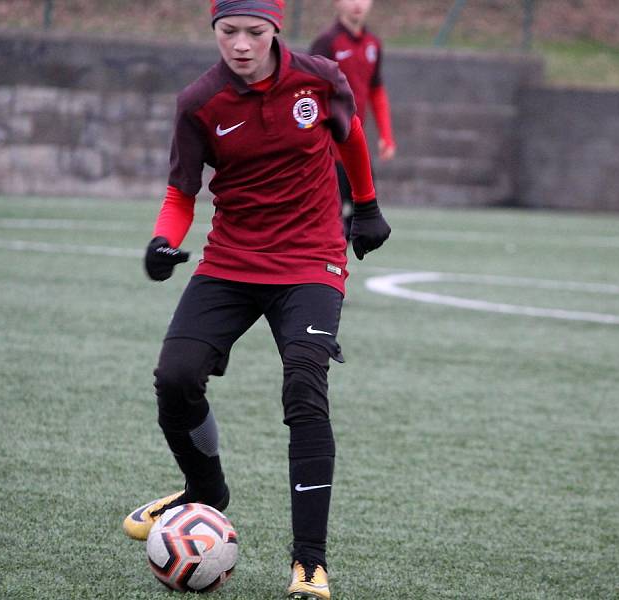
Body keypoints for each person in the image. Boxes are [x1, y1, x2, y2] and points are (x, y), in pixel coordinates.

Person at [121, 1, 391, 599]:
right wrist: (164, 242)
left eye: (254, 32)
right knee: (175, 377)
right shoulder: (198, 102)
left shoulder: (318, 79)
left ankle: (310, 563)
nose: (240, 44)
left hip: (310, 259)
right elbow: (180, 193)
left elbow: (350, 139)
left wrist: (367, 206)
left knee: (303, 381)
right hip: (232, 260)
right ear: (214, 31)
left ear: (275, 30)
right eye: (228, 32)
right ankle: (204, 493)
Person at [309, 0, 396, 239]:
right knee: (326, 218)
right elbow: (308, 92)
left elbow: (376, 91)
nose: (357, 3)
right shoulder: (327, 42)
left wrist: (386, 136)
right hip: (326, 151)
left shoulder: (373, 44)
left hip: (355, 147)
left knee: (365, 216)